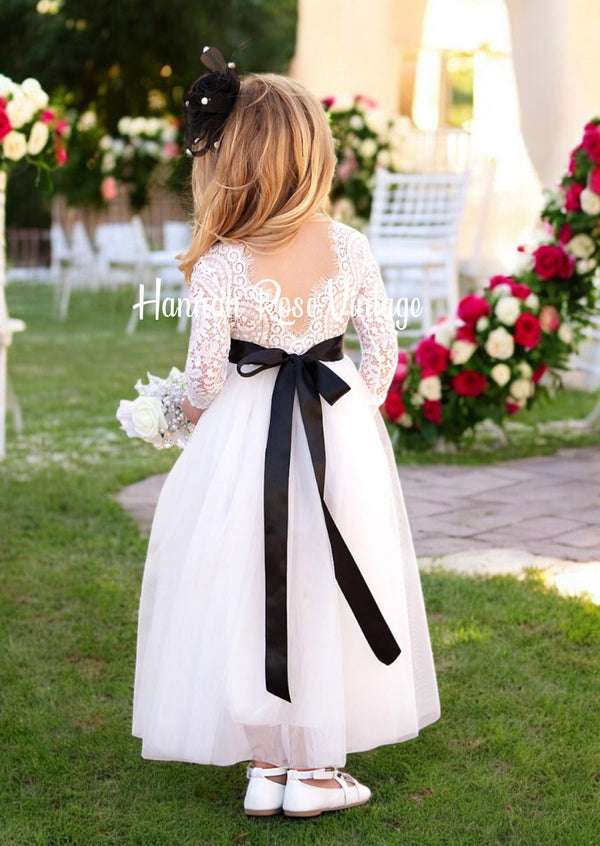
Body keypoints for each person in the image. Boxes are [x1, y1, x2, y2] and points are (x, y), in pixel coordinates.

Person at [132, 46, 440, 819]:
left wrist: (189, 413)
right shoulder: (349, 248)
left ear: (230, 160)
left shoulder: (222, 265)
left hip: (246, 442)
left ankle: (268, 765)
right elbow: (386, 351)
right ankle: (315, 769)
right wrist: (352, 414)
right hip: (333, 436)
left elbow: (205, 378)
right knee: (322, 585)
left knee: (246, 582)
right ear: (314, 157)